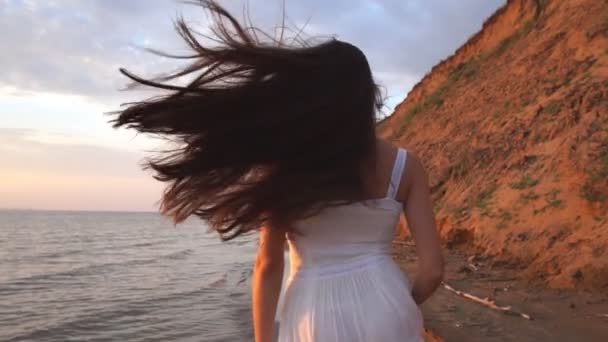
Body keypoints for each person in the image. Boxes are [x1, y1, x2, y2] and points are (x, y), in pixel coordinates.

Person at [111, 1, 444, 341]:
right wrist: (398, 304)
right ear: (368, 96)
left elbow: (268, 265)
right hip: (387, 306)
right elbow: (432, 270)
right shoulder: (406, 165)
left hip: (314, 315)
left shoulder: (288, 167)